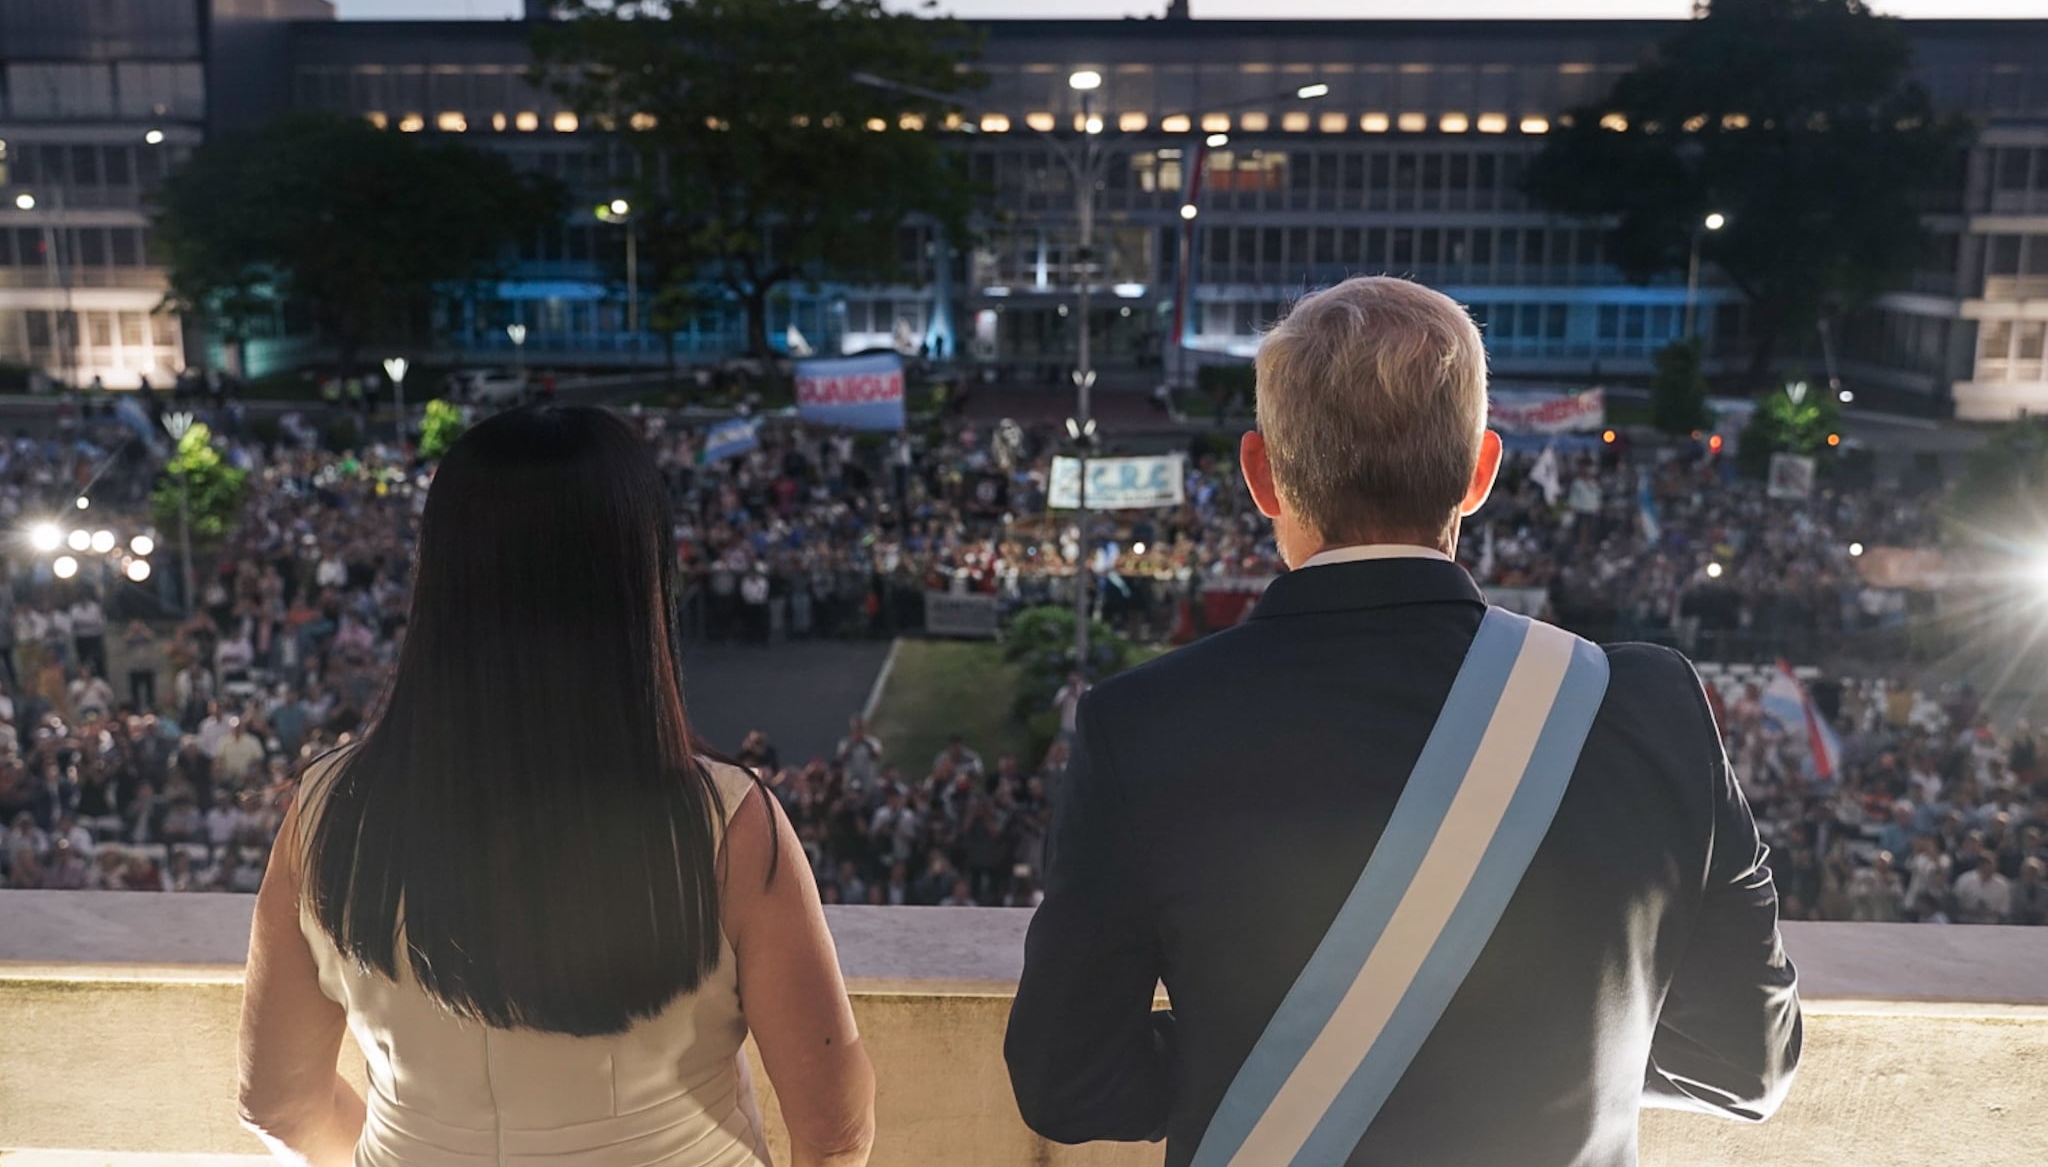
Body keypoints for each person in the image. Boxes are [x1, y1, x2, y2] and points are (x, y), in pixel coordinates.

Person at [1006, 277, 1801, 1165]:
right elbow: (1748, 1062)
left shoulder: (1140, 723)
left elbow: (1064, 1080)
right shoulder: (1652, 708)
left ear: (1262, 475)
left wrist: (1247, 1063)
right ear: (1481, 473)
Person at [238, 406, 875, 1167]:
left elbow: (277, 1098)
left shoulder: (324, 812)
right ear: (638, 580)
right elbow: (833, 1126)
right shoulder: (729, 824)